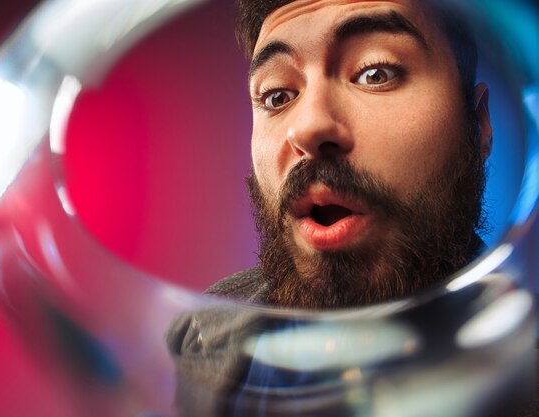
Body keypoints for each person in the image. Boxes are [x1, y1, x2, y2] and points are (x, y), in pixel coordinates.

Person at [167, 1, 535, 416]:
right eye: (277, 95)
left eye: (376, 73)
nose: (307, 127)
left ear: (479, 122)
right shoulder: (203, 334)